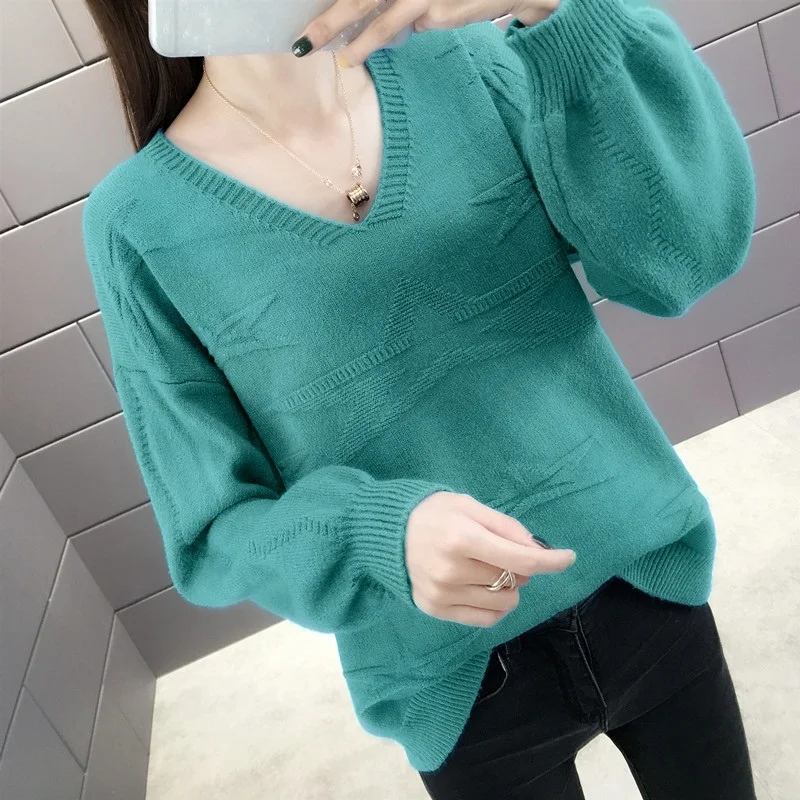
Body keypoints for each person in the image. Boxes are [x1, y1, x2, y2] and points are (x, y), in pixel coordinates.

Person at [82, 0, 759, 797]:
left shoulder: (469, 61)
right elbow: (212, 531)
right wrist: (380, 536)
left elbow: (680, 258)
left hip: (643, 579)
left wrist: (568, 13)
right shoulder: (137, 223)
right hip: (453, 687)